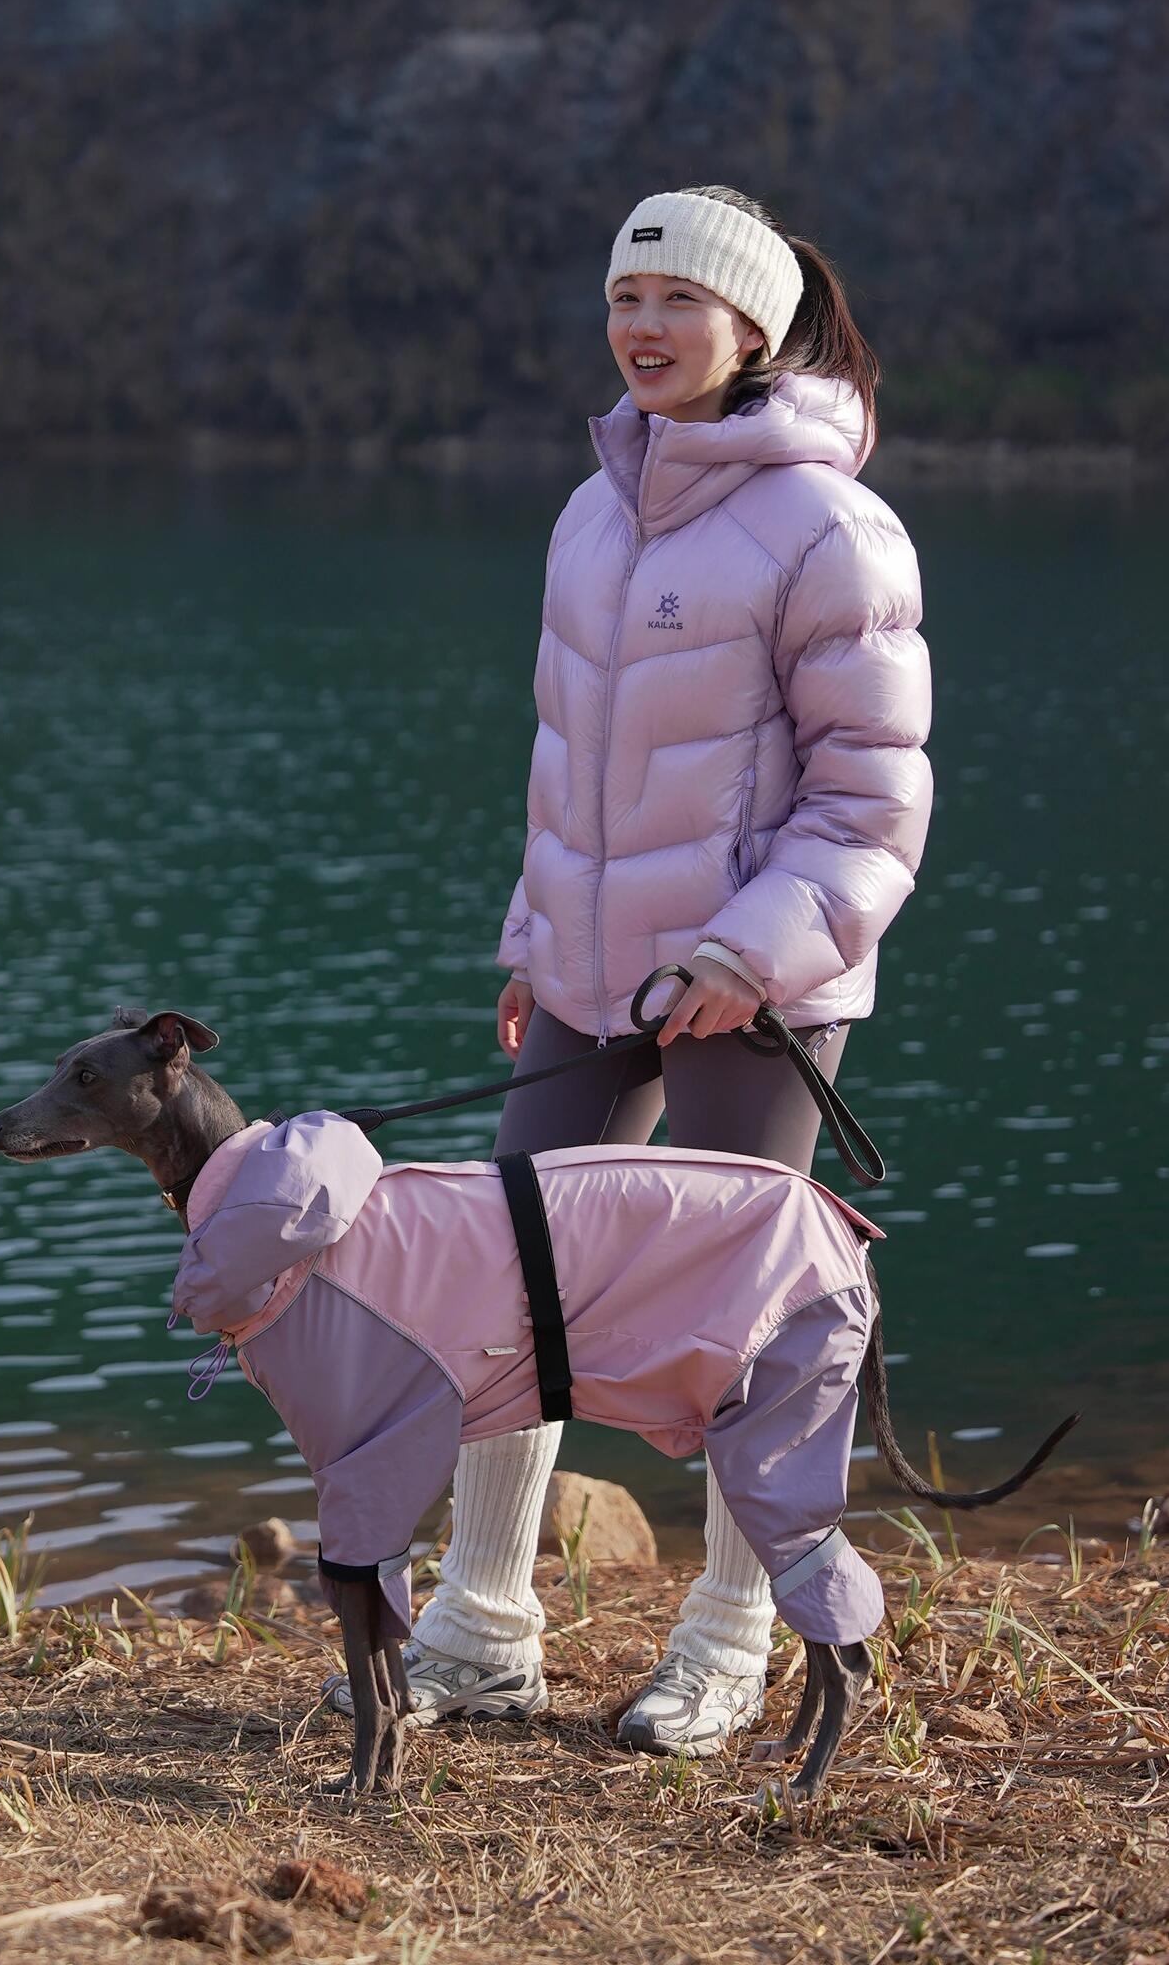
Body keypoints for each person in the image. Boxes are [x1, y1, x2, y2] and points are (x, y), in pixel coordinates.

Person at [403, 183, 933, 1755]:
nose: (642, 328)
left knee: (741, 1317)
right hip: (587, 984)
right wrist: (531, 936)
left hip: (752, 996)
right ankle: (478, 1629)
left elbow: (872, 799)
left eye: (678, 303)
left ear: (751, 329)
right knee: (502, 1281)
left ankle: (725, 1640)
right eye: (624, 300)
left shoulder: (828, 526)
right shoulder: (592, 510)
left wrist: (746, 954)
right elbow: (567, 770)